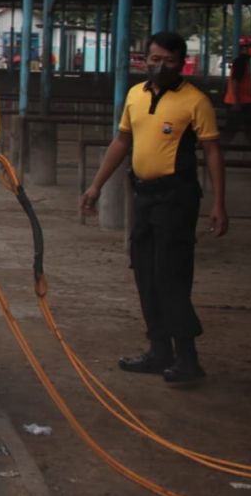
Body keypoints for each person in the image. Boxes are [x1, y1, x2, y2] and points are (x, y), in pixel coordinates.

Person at [82, 30, 228, 389]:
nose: (160, 66)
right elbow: (122, 141)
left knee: (170, 275)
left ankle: (187, 357)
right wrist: (96, 185)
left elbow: (212, 152)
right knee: (144, 271)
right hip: (143, 196)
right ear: (143, 59)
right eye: (155, 59)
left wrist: (219, 204)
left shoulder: (195, 102)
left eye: (169, 61)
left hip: (176, 198)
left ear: (182, 64)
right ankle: (158, 350)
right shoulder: (135, 95)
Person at [223, 35, 251, 153]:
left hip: (243, 102)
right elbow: (235, 82)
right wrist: (236, 103)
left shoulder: (245, 62)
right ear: (244, 48)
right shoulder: (241, 62)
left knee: (247, 130)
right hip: (239, 103)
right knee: (249, 131)